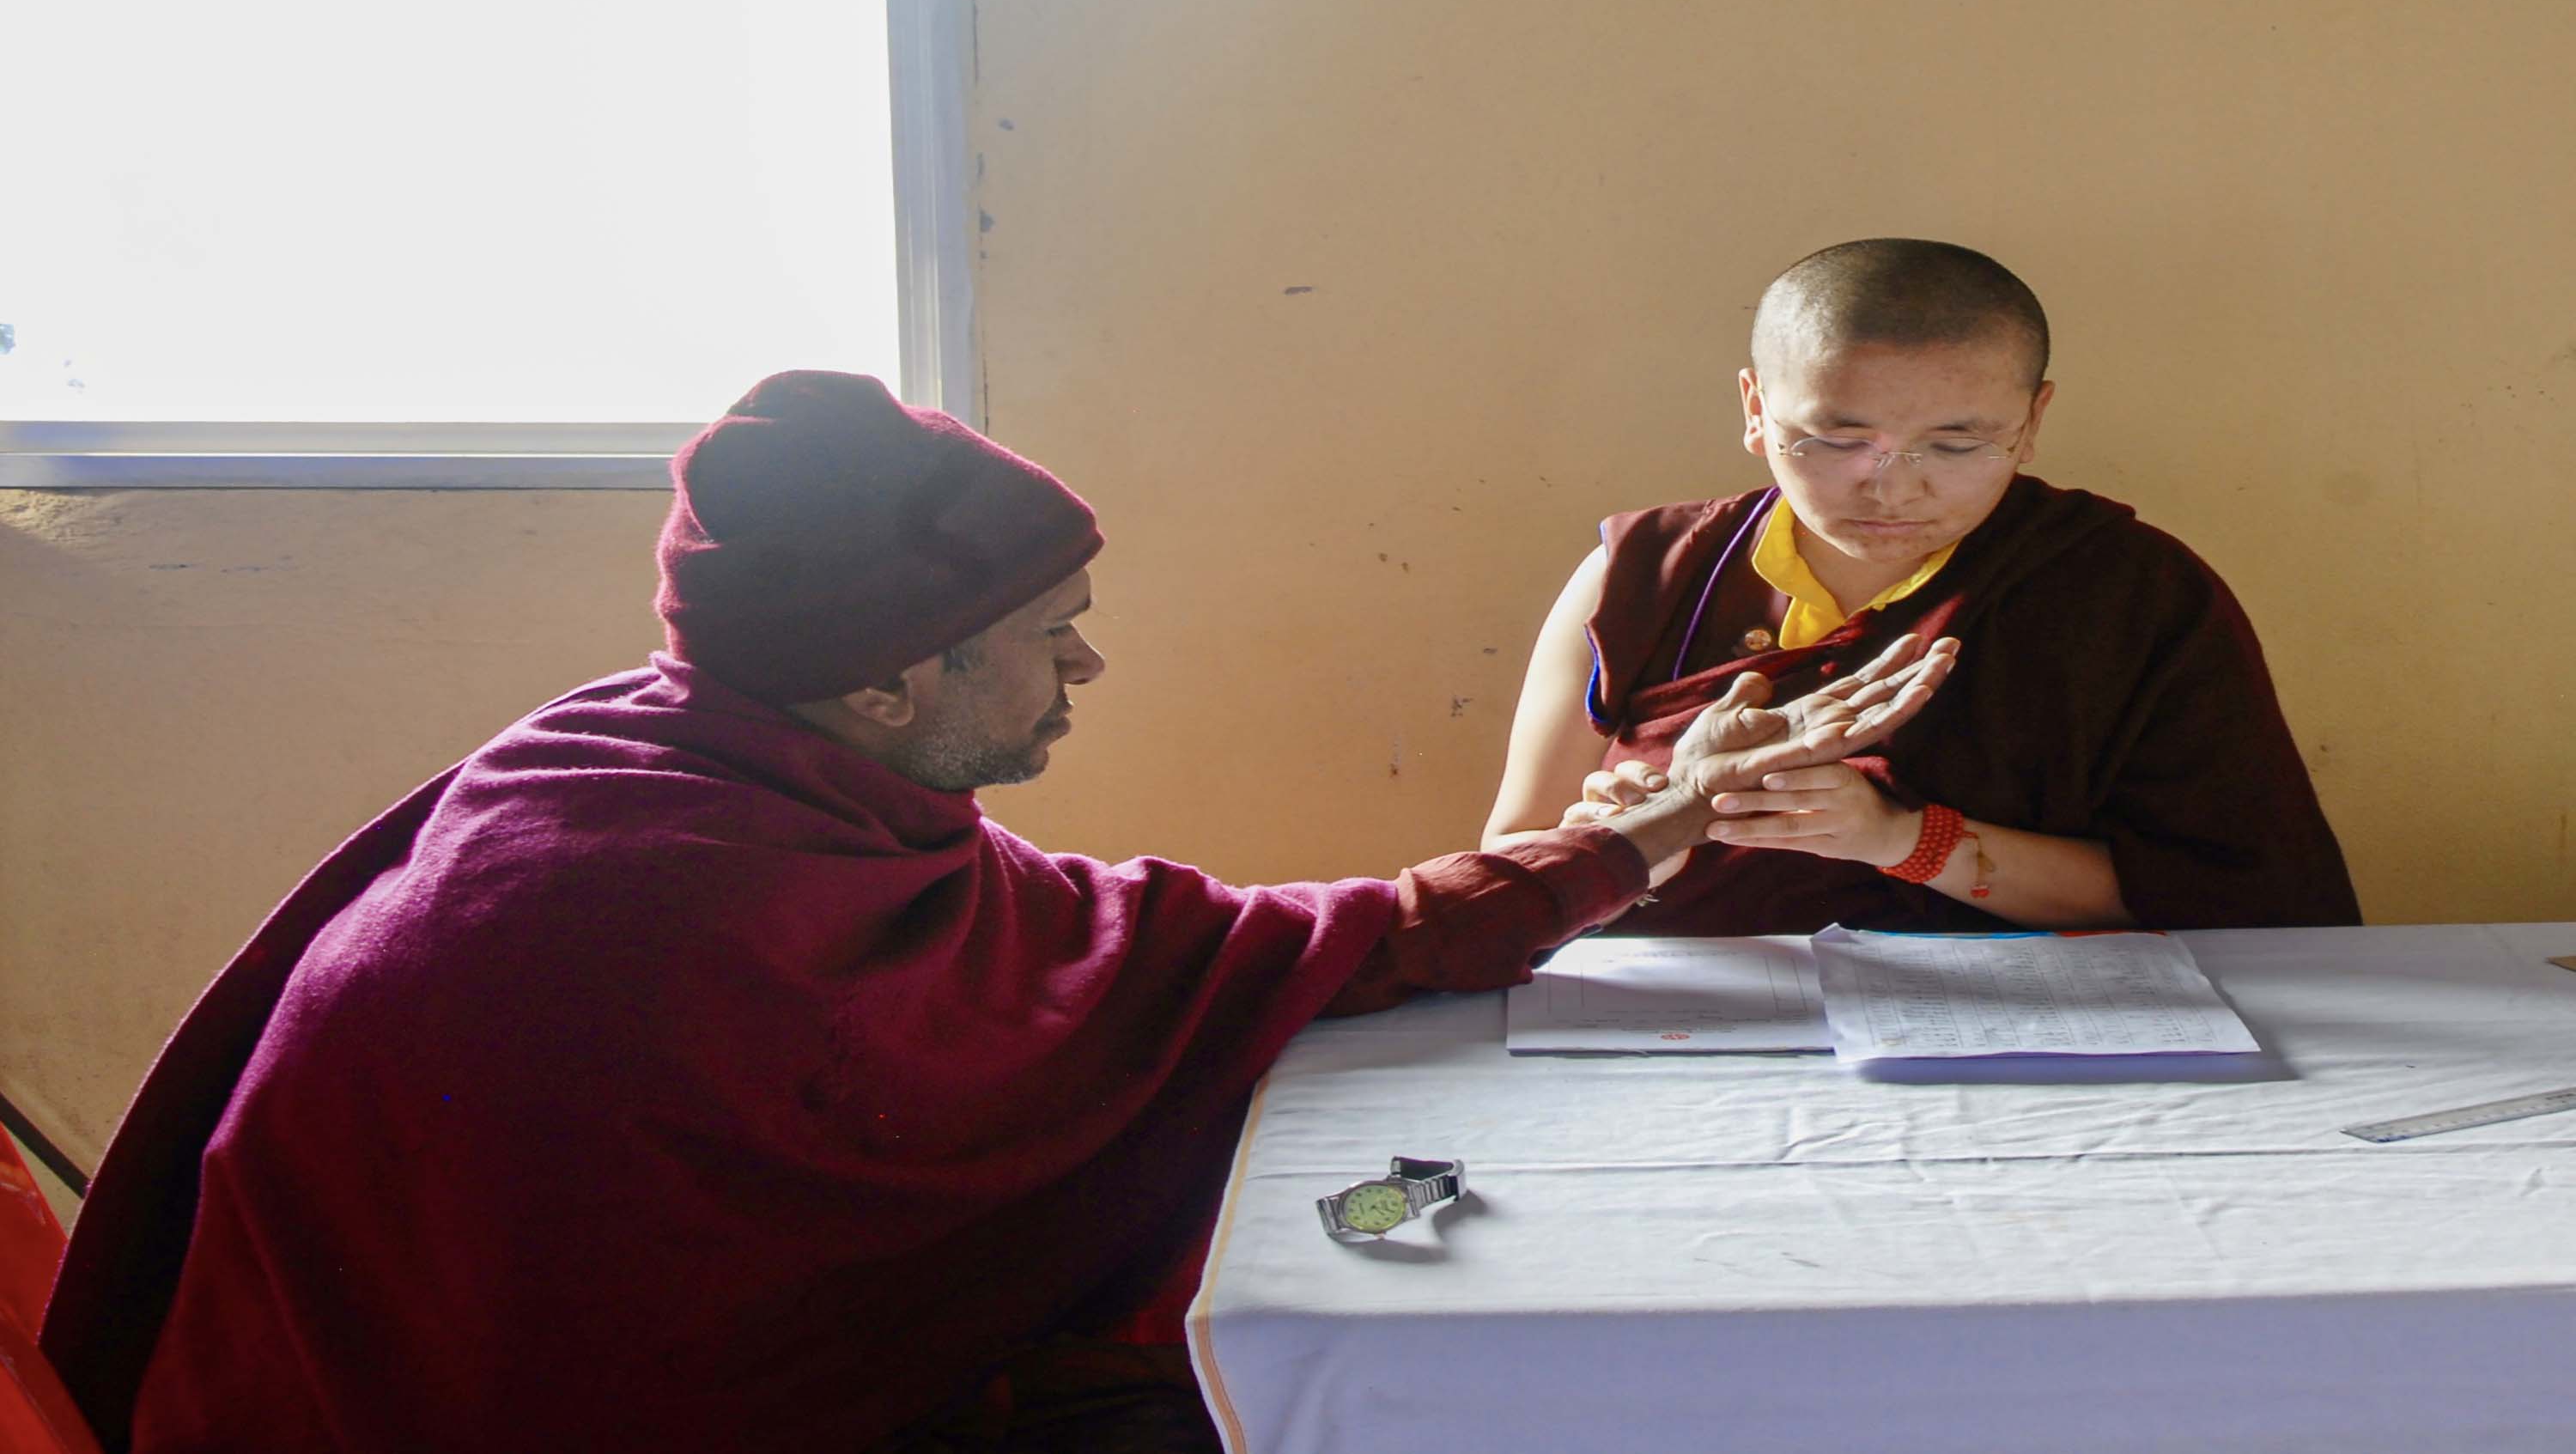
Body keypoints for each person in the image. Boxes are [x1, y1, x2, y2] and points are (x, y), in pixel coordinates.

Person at [43, 371, 1954, 1453]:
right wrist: (1627, 844)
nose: (1090, 664)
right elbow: (1157, 995)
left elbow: (1157, 949)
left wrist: (1633, 833)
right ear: (891, 682)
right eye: (1045, 638)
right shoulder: (667, 912)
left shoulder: (682, 745)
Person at [1483, 238, 2359, 934]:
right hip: (1680, 1023)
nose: (1893, 487)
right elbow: (1512, 853)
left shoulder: (2131, 591)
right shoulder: (1645, 572)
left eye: (1954, 445)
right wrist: (1642, 839)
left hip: (2027, 1035)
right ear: (1756, 408)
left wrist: (1900, 839)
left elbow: (2244, 897)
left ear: (2032, 423)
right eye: (1835, 440)